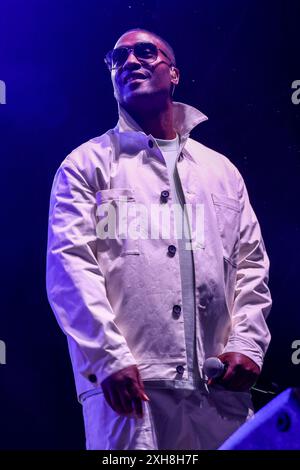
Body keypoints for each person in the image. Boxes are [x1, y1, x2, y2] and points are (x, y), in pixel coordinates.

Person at [46, 28, 272, 450]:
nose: (130, 62)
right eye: (118, 57)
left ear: (174, 73)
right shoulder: (86, 165)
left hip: (217, 386)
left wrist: (247, 344)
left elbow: (251, 266)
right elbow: (70, 267)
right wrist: (108, 358)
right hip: (130, 388)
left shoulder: (220, 171)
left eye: (146, 52)